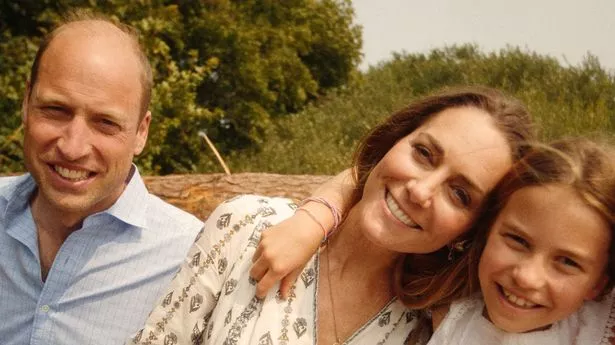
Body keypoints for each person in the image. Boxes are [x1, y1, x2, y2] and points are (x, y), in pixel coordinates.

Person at [129, 86, 534, 344]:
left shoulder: (429, 330)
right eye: (423, 153)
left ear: (471, 230)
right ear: (394, 142)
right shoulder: (248, 224)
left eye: (460, 194)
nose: (420, 190)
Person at [0, 11, 203, 345]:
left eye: (105, 123)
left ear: (141, 131)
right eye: (55, 110)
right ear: (26, 102)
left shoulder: (191, 259)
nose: (73, 147)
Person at [424, 137, 615, 344]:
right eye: (518, 240)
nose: (526, 278)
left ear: (598, 284)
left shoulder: (599, 331)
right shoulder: (446, 318)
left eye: (568, 262)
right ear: (488, 228)